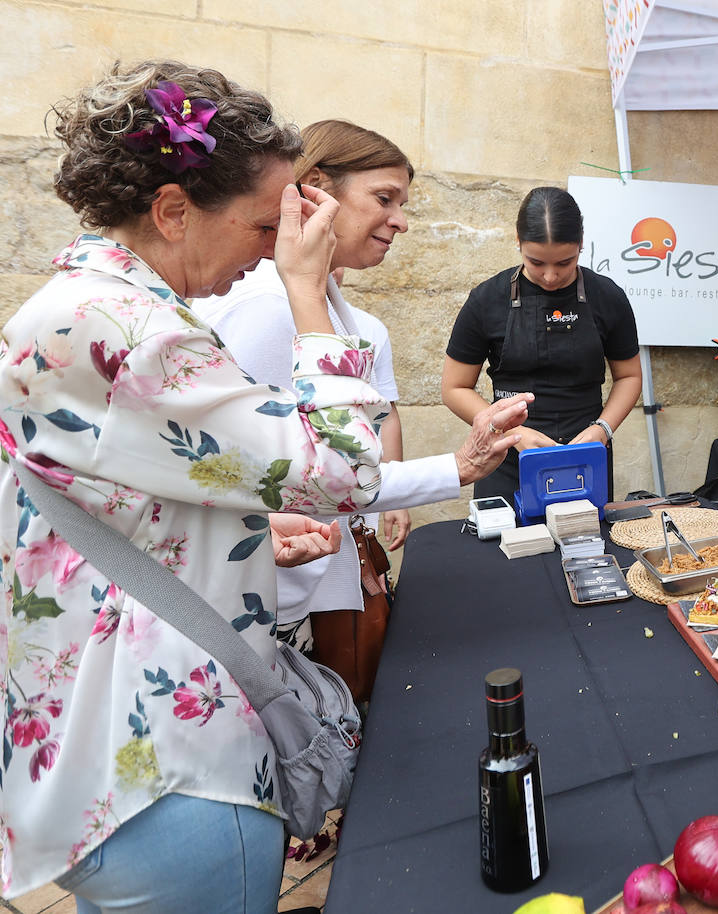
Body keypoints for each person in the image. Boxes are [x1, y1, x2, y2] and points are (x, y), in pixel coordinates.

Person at [0, 60, 528, 912]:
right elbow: (342, 466)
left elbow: (139, 494)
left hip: (89, 761)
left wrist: (242, 525)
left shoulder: (78, 307)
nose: (267, 250)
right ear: (172, 212)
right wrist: (308, 290)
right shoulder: (135, 329)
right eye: (259, 226)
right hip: (168, 772)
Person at [196, 120, 454, 653]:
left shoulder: (333, 310)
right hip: (260, 591)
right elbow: (289, 469)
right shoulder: (270, 308)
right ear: (315, 188)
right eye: (384, 199)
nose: (400, 222)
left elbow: (364, 440)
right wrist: (456, 469)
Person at [442, 187, 642, 502]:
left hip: (585, 452)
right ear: (518, 242)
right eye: (536, 262)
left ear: (581, 244)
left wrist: (602, 429)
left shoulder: (608, 297)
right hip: (505, 454)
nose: (550, 276)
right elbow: (454, 388)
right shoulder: (486, 300)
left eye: (565, 262)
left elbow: (629, 377)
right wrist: (508, 431)